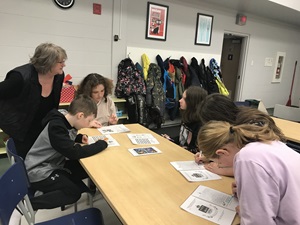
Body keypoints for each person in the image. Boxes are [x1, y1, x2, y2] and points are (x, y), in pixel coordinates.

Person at [197, 107, 300, 224]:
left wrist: (247, 211)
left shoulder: (246, 158)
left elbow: (258, 222)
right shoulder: (268, 143)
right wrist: (247, 192)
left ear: (222, 153)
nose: (219, 166)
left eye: (218, 163)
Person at [24, 94, 108, 210]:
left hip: (53, 164)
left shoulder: (64, 119)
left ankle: (57, 185)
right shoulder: (56, 126)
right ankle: (28, 205)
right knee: (73, 193)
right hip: (38, 170)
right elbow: (73, 152)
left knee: (87, 170)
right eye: (89, 121)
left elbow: (62, 140)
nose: (89, 124)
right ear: (80, 115)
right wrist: (100, 145)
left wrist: (78, 138)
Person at [0, 42, 67, 159]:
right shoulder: (20, 77)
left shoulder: (58, 75)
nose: (64, 65)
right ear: (48, 62)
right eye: (60, 62)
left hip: (44, 129)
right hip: (22, 130)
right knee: (26, 164)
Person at [194, 93, 239, 176]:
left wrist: (224, 171)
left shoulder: (245, 134)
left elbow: (249, 168)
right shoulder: (232, 127)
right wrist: (210, 157)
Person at [162, 86, 207, 153]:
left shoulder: (200, 125)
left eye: (184, 99)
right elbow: (182, 140)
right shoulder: (187, 117)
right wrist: (170, 139)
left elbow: (196, 151)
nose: (180, 100)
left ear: (192, 102)